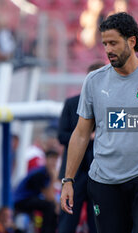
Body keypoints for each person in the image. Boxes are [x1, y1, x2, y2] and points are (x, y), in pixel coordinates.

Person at [60, 12, 138, 233]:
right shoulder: (94, 81)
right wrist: (67, 180)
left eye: (114, 43)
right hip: (104, 182)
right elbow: (80, 134)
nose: (108, 49)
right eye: (105, 43)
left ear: (131, 41)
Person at [57, 62, 104, 233]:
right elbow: (61, 136)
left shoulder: (109, 105)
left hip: (99, 173)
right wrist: (84, 137)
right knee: (67, 221)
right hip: (74, 174)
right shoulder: (72, 103)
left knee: (98, 222)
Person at [13, 150, 59, 233]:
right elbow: (49, 196)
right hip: (21, 200)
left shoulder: (46, 173)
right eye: (52, 159)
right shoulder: (40, 173)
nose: (54, 163)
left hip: (30, 199)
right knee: (49, 206)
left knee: (54, 207)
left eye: (55, 160)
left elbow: (51, 195)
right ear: (46, 160)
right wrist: (53, 178)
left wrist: (57, 206)